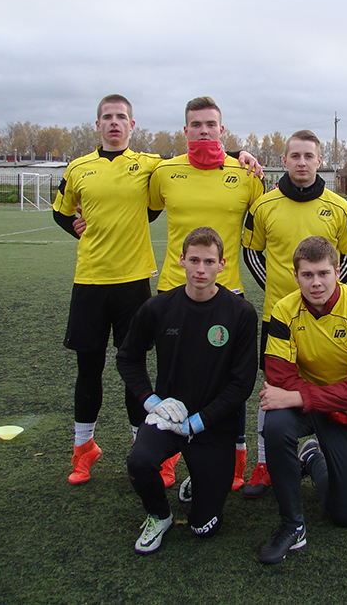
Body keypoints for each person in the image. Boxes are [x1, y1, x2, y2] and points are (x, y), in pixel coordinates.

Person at [148, 96, 265, 491]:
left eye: (210, 124)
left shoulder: (247, 174)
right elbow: (134, 205)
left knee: (230, 382)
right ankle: (165, 457)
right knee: (170, 377)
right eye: (195, 124)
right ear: (185, 130)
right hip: (172, 291)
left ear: (222, 129)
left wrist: (240, 155)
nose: (203, 130)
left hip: (228, 294)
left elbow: (267, 219)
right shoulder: (164, 172)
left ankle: (235, 460)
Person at [118, 227, 258, 555]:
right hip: (168, 418)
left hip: (212, 425)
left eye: (209, 262)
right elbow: (127, 358)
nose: (200, 269)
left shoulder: (241, 313)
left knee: (204, 527)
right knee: (139, 462)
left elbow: (242, 384)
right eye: (194, 260)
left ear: (222, 264)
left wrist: (199, 421)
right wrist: (152, 402)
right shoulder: (158, 307)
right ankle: (159, 515)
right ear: (181, 260)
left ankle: (201, 476)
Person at [240, 129, 347, 500]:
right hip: (278, 318)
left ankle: (323, 452)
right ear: (285, 160)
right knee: (273, 388)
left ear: (319, 160)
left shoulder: (341, 208)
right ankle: (265, 463)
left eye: (309, 156)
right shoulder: (263, 206)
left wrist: (324, 299)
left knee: (328, 381)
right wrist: (285, 298)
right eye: (295, 156)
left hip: (329, 320)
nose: (302, 162)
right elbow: (251, 252)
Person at [52, 94, 165, 486]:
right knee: (89, 368)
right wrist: (76, 228)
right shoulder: (79, 167)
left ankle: (142, 448)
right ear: (97, 124)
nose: (114, 122)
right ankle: (83, 449)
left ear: (132, 125)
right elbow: (61, 212)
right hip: (90, 281)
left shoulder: (150, 165)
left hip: (133, 282)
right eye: (107, 117)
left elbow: (192, 161)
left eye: (121, 117)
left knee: (134, 368)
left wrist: (241, 154)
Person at [257, 236, 347, 564]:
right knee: (276, 424)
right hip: (323, 405)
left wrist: (339, 401)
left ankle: (313, 458)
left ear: (337, 272)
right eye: (308, 275)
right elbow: (279, 376)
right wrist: (341, 401)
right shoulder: (283, 311)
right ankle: (292, 525)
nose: (316, 283)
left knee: (343, 514)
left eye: (323, 273)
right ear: (295, 275)